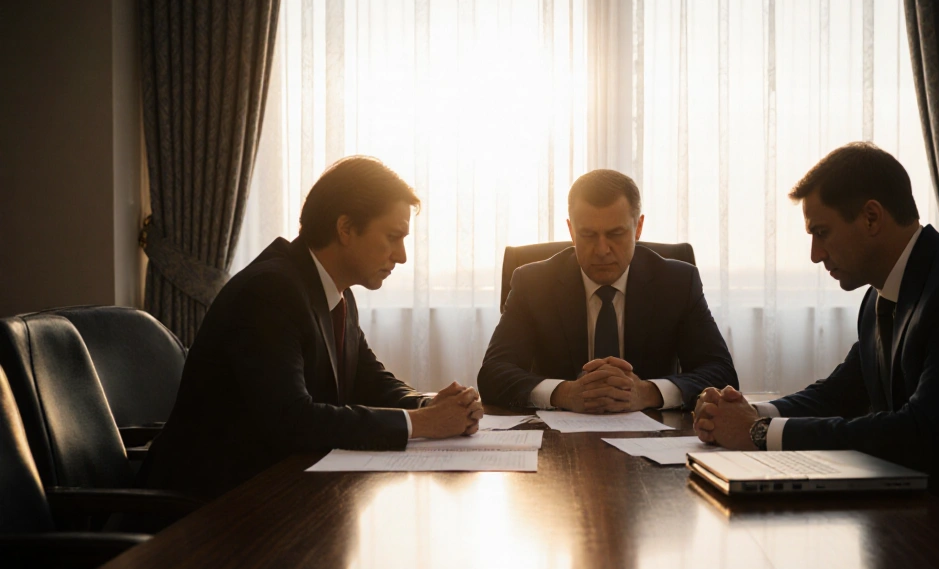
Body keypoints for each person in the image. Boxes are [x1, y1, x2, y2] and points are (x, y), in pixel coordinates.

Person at [693, 143, 939, 505]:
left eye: (821, 232)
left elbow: (920, 434)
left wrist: (756, 434)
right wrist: (751, 414)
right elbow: (838, 393)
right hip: (934, 507)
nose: (815, 255)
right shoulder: (882, 295)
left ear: (872, 217)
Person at [144, 156, 483, 500]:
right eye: (393, 237)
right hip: (206, 506)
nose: (402, 256)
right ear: (346, 228)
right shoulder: (271, 291)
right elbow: (292, 419)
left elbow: (368, 380)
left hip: (275, 487)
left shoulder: (336, 290)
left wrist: (429, 405)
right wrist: (423, 424)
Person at [478, 169, 738, 413]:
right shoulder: (533, 283)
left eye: (615, 234)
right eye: (588, 235)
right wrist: (564, 393)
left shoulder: (677, 282)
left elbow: (722, 373)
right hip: (558, 441)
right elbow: (493, 373)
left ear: (638, 228)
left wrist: (647, 393)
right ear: (571, 231)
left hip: (652, 437)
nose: (602, 250)